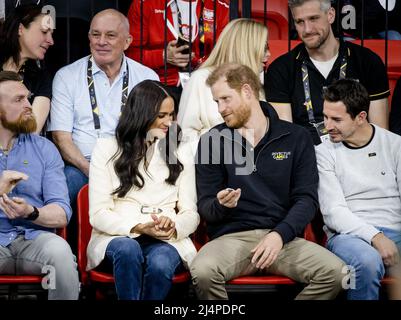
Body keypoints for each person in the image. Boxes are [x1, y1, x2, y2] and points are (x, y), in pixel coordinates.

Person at [191, 63, 346, 300]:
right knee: (202, 271)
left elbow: (306, 200)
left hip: (284, 238)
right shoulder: (212, 140)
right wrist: (221, 205)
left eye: (225, 99)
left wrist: (278, 235)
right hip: (232, 239)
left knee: (339, 274)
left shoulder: (295, 137)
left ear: (246, 91)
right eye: (216, 102)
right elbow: (206, 207)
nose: (220, 109)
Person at [47, 9, 158, 249]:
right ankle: (69, 255)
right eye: (95, 34)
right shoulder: (67, 76)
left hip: (132, 163)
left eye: (110, 35)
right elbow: (61, 137)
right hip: (82, 164)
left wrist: (129, 165)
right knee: (65, 184)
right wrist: (92, 170)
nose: (101, 42)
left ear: (128, 41)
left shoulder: (146, 77)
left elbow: (154, 133)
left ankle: (141, 250)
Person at [87, 80, 199, 300]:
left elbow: (190, 213)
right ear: (142, 115)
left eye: (172, 115)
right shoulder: (107, 148)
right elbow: (98, 214)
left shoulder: (181, 150)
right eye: (161, 115)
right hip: (117, 236)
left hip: (165, 238)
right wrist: (139, 226)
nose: (169, 122)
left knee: (161, 262)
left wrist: (174, 226)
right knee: (128, 250)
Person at [316, 79, 401, 300]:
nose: (327, 126)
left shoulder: (394, 145)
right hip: (348, 235)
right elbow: (333, 212)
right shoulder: (323, 151)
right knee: (367, 262)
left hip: (396, 229)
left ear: (361, 117)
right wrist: (376, 236)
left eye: (336, 119)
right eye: (325, 117)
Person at [265, 0, 389, 145]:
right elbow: (286, 138)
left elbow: (380, 135)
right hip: (307, 159)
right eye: (299, 22)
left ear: (330, 15)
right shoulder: (281, 69)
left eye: (313, 18)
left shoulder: (367, 61)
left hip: (358, 156)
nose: (307, 29)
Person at [0, 71, 79, 300]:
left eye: (27, 97)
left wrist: (31, 212)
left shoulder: (44, 149)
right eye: (18, 100)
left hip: (33, 240)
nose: (28, 105)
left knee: (61, 253)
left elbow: (61, 212)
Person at [177, 18, 269, 146]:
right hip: (211, 162)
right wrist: (225, 144)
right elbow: (184, 135)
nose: (268, 54)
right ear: (246, 48)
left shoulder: (256, 84)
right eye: (264, 47)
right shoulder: (200, 79)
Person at [125, 0, 229, 96]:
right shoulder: (144, 4)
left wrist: (200, 63)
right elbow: (129, 55)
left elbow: (226, 55)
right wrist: (163, 56)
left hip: (205, 86)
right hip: (158, 87)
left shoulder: (221, 6)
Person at [0, 3, 54, 134]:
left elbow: (31, 131)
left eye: (51, 34)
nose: (51, 41)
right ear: (20, 29)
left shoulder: (40, 78)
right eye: (44, 32)